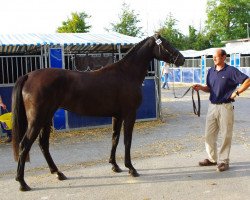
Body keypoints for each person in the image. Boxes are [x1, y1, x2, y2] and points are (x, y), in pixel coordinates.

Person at [193, 49, 250, 172]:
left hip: (225, 106)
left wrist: (237, 92)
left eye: (216, 57)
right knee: (209, 134)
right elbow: (210, 88)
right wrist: (201, 88)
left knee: (225, 135)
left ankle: (224, 161)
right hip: (212, 106)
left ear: (224, 57)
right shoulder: (211, 71)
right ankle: (212, 159)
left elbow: (247, 80)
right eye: (213, 57)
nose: (214, 59)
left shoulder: (231, 71)